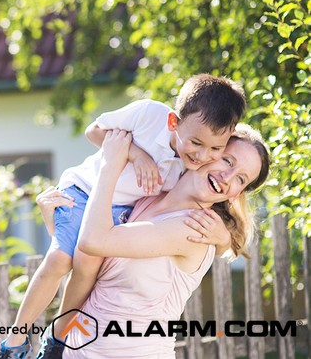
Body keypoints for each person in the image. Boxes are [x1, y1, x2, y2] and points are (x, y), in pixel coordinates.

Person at [0, 74, 246, 358]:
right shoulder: (150, 115)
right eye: (196, 143)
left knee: (87, 262)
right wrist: (137, 155)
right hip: (84, 191)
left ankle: (58, 336)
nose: (203, 155)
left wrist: (224, 238)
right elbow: (94, 132)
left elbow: (212, 210)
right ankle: (15, 341)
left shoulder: (189, 171)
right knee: (59, 259)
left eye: (215, 149)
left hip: (117, 212)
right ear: (173, 122)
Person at [58, 125, 269, 357]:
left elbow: (93, 240)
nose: (227, 178)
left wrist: (111, 163)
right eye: (227, 161)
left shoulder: (193, 229)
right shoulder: (147, 195)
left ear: (237, 193)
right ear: (209, 150)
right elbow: (85, 260)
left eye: (240, 178)